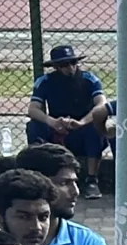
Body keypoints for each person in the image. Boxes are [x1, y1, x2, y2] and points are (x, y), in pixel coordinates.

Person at [26, 44, 110, 190]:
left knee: (95, 128)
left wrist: (82, 122)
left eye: (73, 62)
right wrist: (52, 122)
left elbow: (101, 104)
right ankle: (40, 176)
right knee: (34, 126)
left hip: (82, 129)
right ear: (56, 67)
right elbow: (33, 109)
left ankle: (92, 180)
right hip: (56, 129)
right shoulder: (44, 81)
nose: (70, 67)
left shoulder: (89, 79)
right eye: (64, 65)